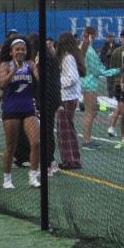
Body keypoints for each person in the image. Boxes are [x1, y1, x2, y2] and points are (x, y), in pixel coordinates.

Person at [0, 37, 41, 189]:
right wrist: (14, 70)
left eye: (23, 49)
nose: (20, 51)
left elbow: (39, 78)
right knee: (11, 147)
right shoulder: (5, 65)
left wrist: (39, 67)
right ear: (11, 52)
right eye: (17, 49)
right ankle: (7, 179)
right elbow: (2, 84)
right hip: (11, 109)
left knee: (36, 142)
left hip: (28, 108)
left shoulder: (30, 64)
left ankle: (33, 177)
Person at [79, 26, 119, 149]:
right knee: (90, 113)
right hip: (89, 84)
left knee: (93, 111)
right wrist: (117, 70)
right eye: (94, 35)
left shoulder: (85, 48)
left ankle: (88, 140)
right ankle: (87, 141)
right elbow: (98, 71)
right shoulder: (88, 50)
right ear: (92, 35)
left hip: (88, 83)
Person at [56, 32, 85, 169]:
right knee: (67, 129)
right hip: (69, 97)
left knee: (65, 131)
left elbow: (72, 78)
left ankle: (71, 160)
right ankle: (71, 159)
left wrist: (57, 82)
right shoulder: (71, 57)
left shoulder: (67, 58)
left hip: (67, 98)